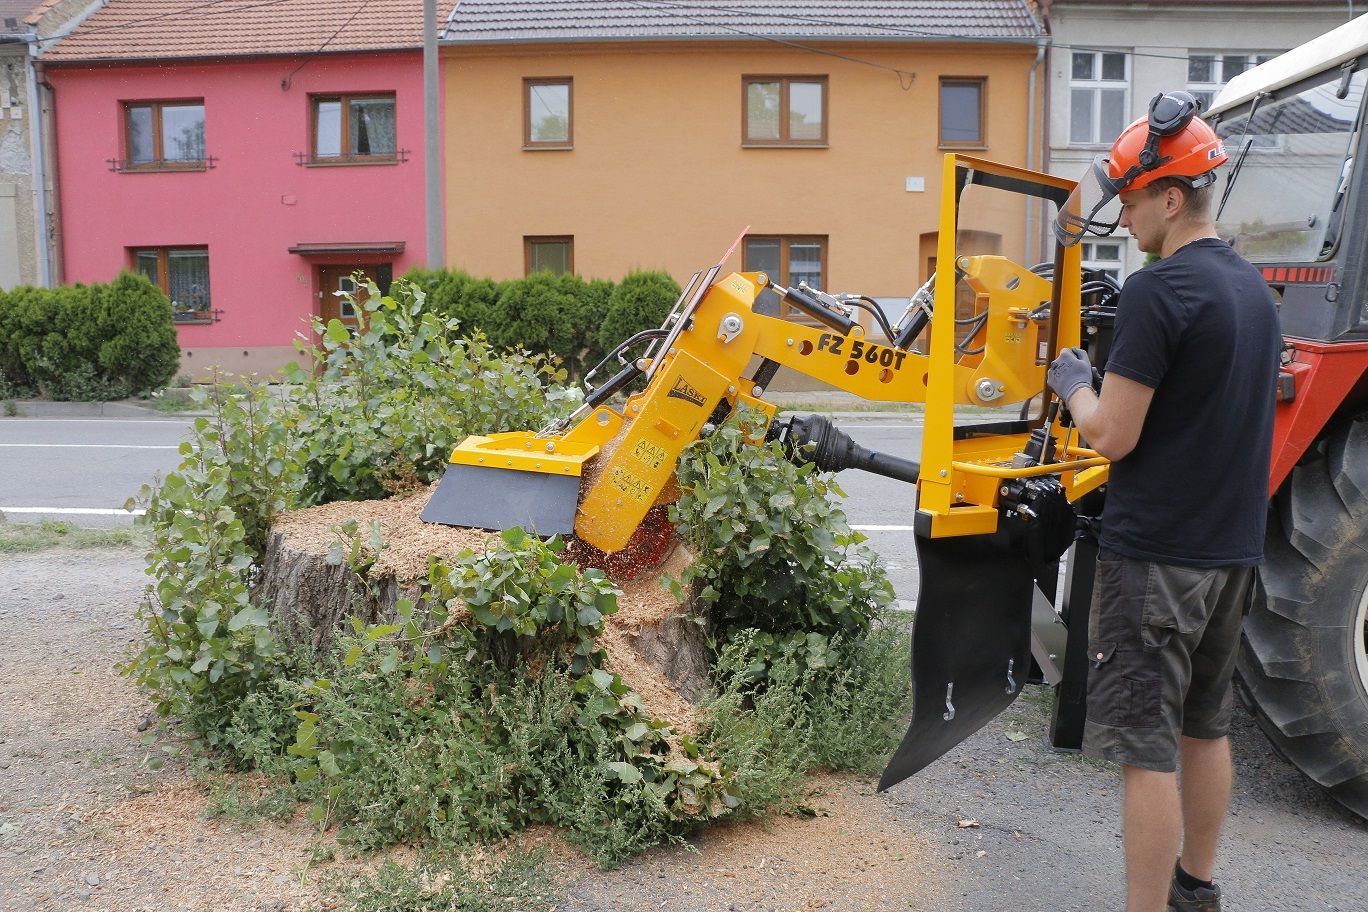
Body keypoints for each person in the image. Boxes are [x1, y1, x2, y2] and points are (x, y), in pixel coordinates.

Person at [1048, 92, 1282, 912]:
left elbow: (1112, 435)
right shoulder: (1254, 293)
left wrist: (1075, 381)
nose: (1127, 217)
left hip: (1157, 566)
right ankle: (1196, 890)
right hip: (1231, 557)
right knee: (1205, 728)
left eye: (1134, 200)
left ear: (1172, 196)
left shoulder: (1158, 293)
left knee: (1144, 749)